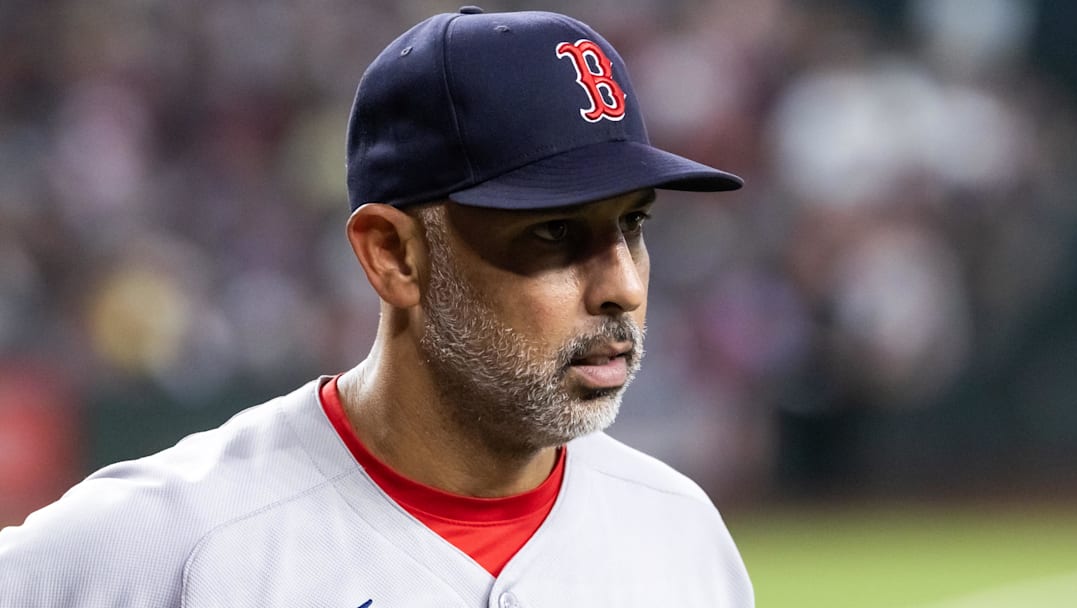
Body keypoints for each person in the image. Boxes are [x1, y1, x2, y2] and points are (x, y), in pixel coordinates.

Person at [0, 7, 753, 606]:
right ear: (393, 256)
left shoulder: (678, 534)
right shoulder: (164, 544)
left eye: (632, 224)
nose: (621, 282)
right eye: (556, 232)